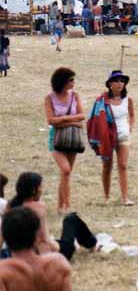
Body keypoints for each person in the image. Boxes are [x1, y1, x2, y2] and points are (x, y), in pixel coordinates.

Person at [5, 172, 98, 261]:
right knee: (71, 218)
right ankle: (93, 244)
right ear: (34, 190)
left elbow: (3, 232)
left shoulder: (11, 205)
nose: (42, 190)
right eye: (41, 186)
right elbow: (44, 239)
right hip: (51, 254)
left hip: (21, 254)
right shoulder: (39, 207)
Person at [44, 67, 86, 213]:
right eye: (71, 80)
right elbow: (50, 121)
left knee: (66, 173)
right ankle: (67, 205)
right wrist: (72, 121)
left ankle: (60, 206)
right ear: (62, 81)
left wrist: (62, 119)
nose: (73, 82)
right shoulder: (49, 98)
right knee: (66, 170)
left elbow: (82, 116)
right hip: (56, 138)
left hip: (73, 138)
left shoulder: (75, 95)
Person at [97, 71, 134, 205]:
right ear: (110, 84)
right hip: (107, 137)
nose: (120, 83)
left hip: (123, 136)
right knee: (107, 166)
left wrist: (130, 125)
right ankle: (106, 197)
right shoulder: (103, 100)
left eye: (122, 81)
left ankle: (125, 198)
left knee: (123, 165)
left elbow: (132, 115)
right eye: (117, 81)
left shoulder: (127, 99)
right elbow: (97, 118)